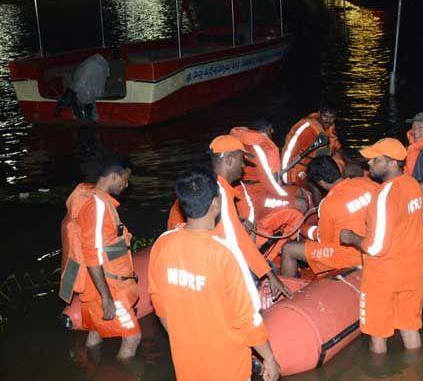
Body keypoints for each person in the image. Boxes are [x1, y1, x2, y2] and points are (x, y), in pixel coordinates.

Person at [148, 168, 280, 381]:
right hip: (229, 367)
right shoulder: (225, 253)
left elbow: (159, 303)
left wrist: (182, 339)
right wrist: (270, 359)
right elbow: (247, 318)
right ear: (216, 204)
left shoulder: (163, 244)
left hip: (187, 364)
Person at [166, 135, 292, 300]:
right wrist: (268, 275)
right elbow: (236, 240)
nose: (243, 166)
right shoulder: (220, 192)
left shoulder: (202, 184)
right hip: (205, 266)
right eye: (241, 160)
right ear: (229, 160)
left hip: (185, 257)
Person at [339, 138, 423, 354]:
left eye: (376, 160)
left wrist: (352, 238)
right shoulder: (413, 185)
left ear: (392, 163)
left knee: (377, 336)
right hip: (412, 273)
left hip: (383, 277)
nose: (369, 165)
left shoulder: (384, 195)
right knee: (410, 330)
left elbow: (377, 247)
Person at [59, 155, 140, 359]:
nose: (126, 184)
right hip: (106, 284)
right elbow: (92, 253)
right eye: (125, 179)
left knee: (96, 330)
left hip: (91, 283)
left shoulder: (87, 195)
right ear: (113, 176)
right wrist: (107, 298)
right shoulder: (98, 206)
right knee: (132, 338)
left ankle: (89, 367)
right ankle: (124, 371)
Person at [280, 156, 378, 277]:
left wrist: (301, 228)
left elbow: (323, 240)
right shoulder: (367, 183)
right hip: (373, 247)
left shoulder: (328, 204)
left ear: (321, 183)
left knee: (288, 249)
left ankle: (291, 294)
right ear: (338, 169)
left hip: (349, 257)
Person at [280, 108, 348, 186]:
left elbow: (335, 145)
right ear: (319, 114)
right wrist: (285, 179)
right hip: (302, 168)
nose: (328, 120)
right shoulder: (306, 127)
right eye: (325, 116)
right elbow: (288, 151)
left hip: (320, 165)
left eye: (331, 117)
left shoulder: (330, 126)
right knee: (306, 183)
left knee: (339, 163)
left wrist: (350, 160)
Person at [230, 119, 288, 197]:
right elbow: (270, 180)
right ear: (264, 131)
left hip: (244, 187)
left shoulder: (245, 143)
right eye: (270, 129)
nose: (273, 131)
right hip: (255, 191)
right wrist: (285, 196)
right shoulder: (260, 148)